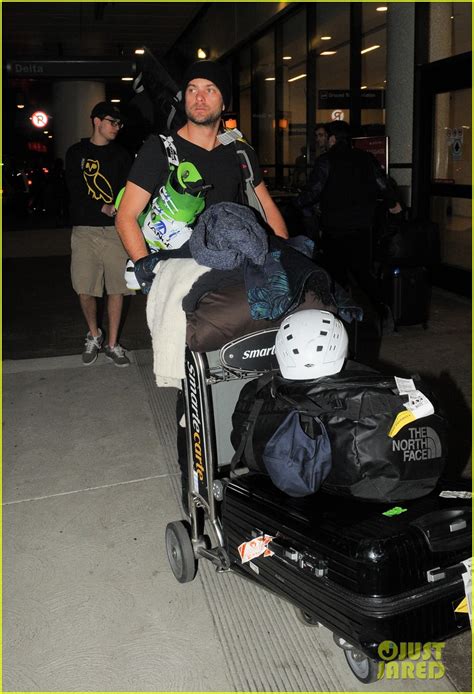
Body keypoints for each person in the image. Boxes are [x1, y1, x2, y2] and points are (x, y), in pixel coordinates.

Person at [116, 59, 288, 513]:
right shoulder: (161, 149)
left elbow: (265, 207)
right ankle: (196, 495)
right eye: (192, 88)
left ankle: (247, 477)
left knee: (250, 374)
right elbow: (126, 214)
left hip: (231, 277)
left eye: (209, 88)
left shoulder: (239, 151)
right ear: (184, 98)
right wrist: (146, 264)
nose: (199, 96)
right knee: (193, 390)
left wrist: (288, 257)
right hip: (180, 277)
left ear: (223, 101)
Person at [296, 120, 401, 293]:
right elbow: (382, 184)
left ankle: (342, 312)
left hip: (335, 227)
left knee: (336, 274)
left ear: (333, 139)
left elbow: (313, 192)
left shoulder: (326, 160)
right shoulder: (365, 157)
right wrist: (393, 204)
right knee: (362, 273)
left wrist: (295, 202)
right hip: (363, 225)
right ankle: (376, 310)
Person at [65, 101, 133, 366]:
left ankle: (113, 344)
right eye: (112, 122)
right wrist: (101, 206)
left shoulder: (122, 155)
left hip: (115, 231)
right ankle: (94, 335)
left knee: (117, 288)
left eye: (119, 124)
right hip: (84, 230)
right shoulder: (76, 152)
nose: (117, 127)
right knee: (85, 288)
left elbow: (129, 188)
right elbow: (74, 189)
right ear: (96, 121)